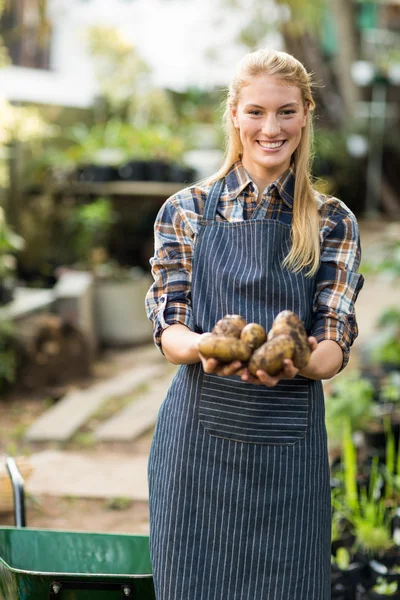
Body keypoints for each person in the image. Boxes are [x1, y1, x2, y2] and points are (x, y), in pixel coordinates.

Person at [145, 48, 364, 600]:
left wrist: (294, 361)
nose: (272, 128)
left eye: (287, 111)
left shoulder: (333, 221)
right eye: (257, 112)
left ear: (307, 114)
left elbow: (332, 341)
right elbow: (170, 329)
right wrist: (205, 346)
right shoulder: (186, 211)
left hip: (289, 452)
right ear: (235, 115)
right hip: (197, 451)